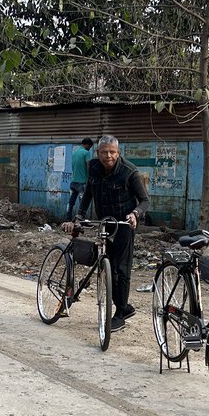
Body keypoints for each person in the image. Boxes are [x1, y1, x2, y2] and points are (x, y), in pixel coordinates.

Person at [62, 135, 149, 332]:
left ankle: (120, 313)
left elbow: (145, 200)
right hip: (104, 223)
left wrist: (136, 214)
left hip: (124, 224)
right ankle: (124, 306)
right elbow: (88, 194)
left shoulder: (129, 172)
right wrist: (79, 215)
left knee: (121, 268)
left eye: (112, 152)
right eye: (104, 152)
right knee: (106, 265)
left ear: (118, 153)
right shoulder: (93, 167)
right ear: (97, 153)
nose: (108, 156)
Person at [65, 137, 94, 222]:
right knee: (83, 203)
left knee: (71, 203)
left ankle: (68, 219)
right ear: (87, 144)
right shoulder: (86, 153)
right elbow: (88, 165)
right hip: (82, 183)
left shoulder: (74, 153)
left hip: (73, 182)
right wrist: (90, 177)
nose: (90, 148)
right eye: (90, 146)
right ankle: (80, 221)